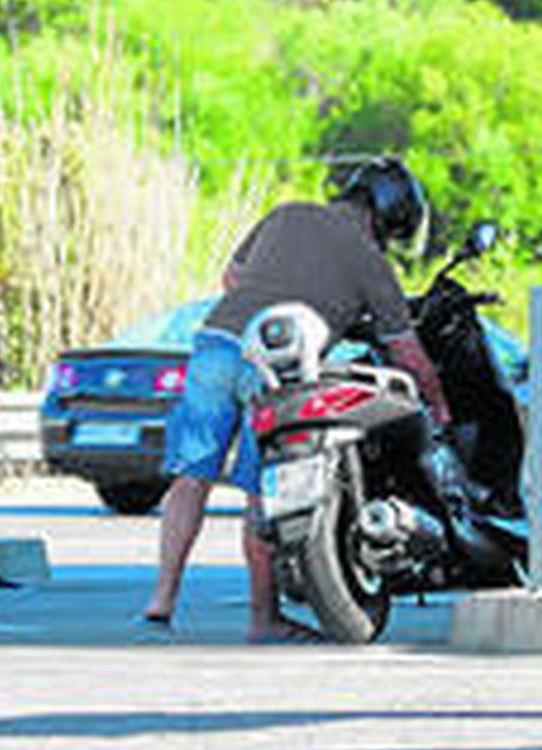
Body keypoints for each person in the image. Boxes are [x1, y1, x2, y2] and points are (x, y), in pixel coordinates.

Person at [140, 157, 458, 641]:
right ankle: (262, 619)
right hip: (273, 365)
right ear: (390, 219)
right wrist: (439, 405)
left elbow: (231, 279)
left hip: (218, 341)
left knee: (191, 478)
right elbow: (406, 350)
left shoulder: (286, 214)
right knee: (261, 493)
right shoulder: (373, 264)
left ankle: (160, 603)